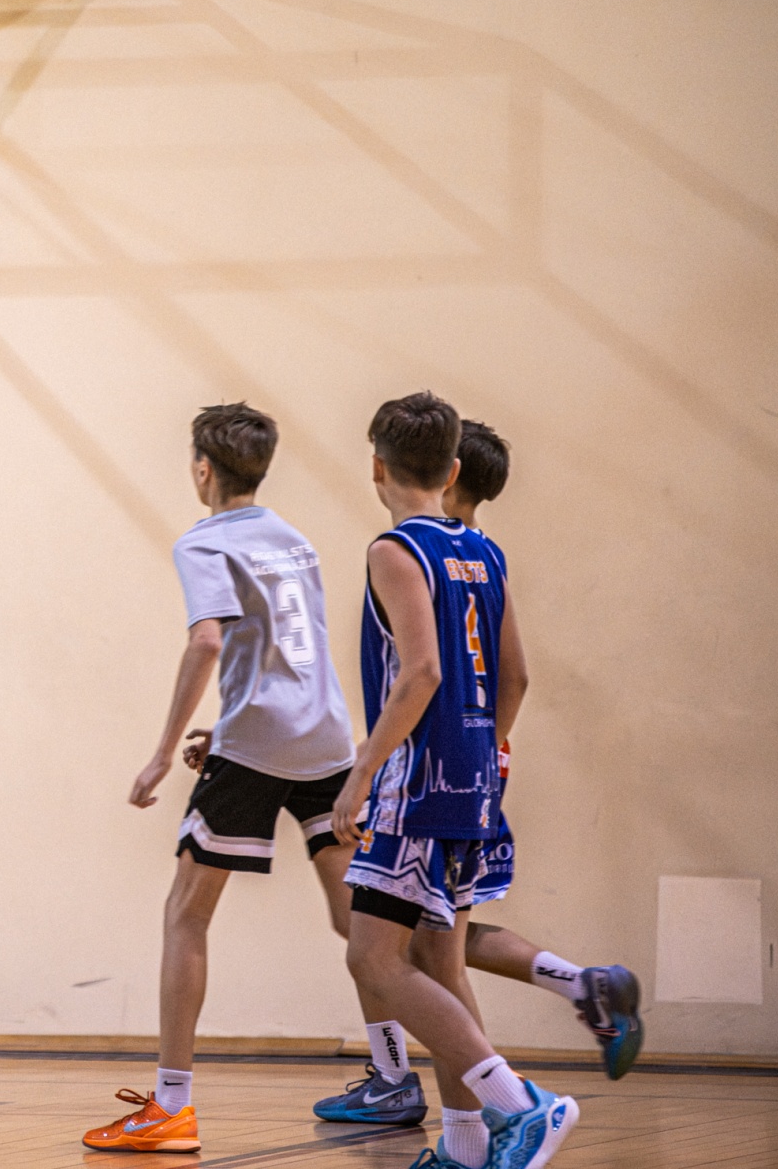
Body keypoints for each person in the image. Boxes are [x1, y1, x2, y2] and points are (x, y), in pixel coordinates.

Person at [315, 420, 640, 1129]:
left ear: (377, 467)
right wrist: (483, 753)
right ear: (452, 468)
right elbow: (516, 676)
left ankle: (515, 1105)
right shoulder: (487, 552)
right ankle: (469, 1140)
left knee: (374, 959)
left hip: (417, 783)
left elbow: (422, 673)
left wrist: (363, 770)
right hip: (476, 779)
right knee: (442, 959)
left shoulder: (397, 550)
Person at [79, 403, 356, 1154]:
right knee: (358, 923)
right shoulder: (295, 539)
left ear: (203, 469)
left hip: (258, 743)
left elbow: (207, 641)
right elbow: (287, 652)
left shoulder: (203, 542)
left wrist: (164, 751)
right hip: (328, 739)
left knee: (186, 916)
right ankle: (395, 1072)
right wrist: (229, 727)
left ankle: (171, 1107)